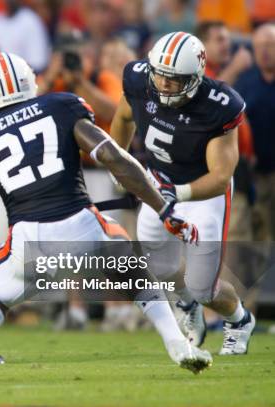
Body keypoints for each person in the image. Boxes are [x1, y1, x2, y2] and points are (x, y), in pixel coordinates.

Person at [0, 51, 211, 382]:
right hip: (81, 226)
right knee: (133, 269)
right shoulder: (60, 105)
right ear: (29, 82)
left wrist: (1, 269)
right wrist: (162, 208)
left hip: (28, 237)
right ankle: (178, 345)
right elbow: (114, 158)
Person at [110, 32, 256, 355]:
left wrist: (175, 192)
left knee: (204, 287)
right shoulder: (138, 80)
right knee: (159, 268)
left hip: (202, 194)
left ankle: (239, 319)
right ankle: (187, 306)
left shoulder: (219, 105)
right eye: (160, 74)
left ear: (195, 78)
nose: (163, 84)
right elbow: (122, 117)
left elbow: (220, 177)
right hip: (159, 184)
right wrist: (118, 160)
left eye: (173, 79)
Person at [235, 23, 275, 242]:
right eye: (258, 46)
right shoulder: (245, 82)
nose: (264, 51)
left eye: (269, 45)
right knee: (255, 237)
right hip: (252, 172)